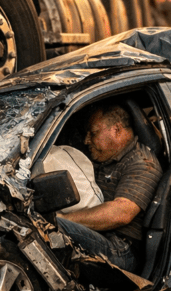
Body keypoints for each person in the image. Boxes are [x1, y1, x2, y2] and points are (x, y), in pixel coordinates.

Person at [56, 104, 162, 277]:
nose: (86, 140)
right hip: (100, 237)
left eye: (93, 133)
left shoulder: (142, 163)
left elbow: (121, 212)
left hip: (122, 249)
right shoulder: (103, 156)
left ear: (117, 130)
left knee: (52, 226)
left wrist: (65, 219)